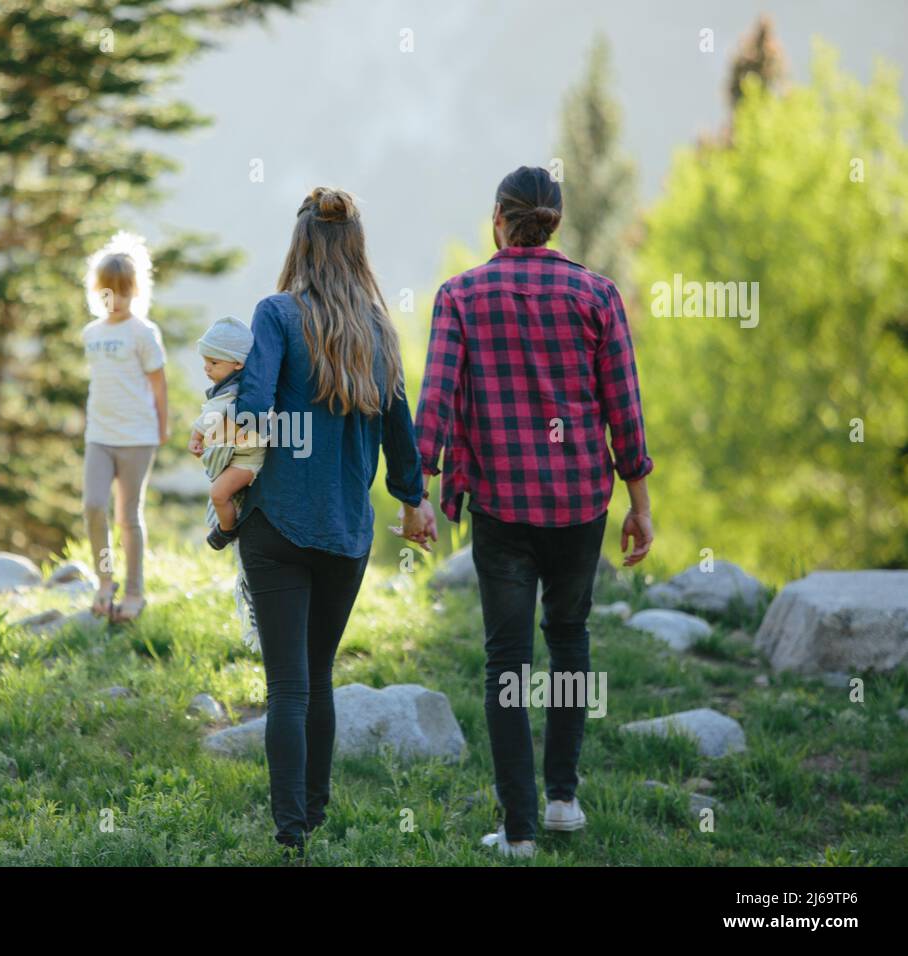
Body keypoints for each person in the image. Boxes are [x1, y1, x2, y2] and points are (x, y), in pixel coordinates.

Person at [414, 166, 655, 858]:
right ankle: (562, 801)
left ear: (499, 218)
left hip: (501, 507)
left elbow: (437, 400)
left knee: (507, 661)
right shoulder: (597, 295)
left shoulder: (460, 296)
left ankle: (517, 830)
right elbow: (624, 410)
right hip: (581, 503)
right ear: (555, 220)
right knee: (571, 639)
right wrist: (638, 503)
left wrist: (420, 492)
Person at [215, 186, 437, 855]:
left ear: (300, 244)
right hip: (346, 534)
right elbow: (400, 433)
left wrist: (227, 475)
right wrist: (414, 500)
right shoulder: (378, 327)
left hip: (276, 524)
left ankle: (290, 836)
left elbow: (253, 411)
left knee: (286, 682)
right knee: (318, 674)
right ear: (356, 248)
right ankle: (314, 812)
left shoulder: (277, 315)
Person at [80, 232, 168, 624]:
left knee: (127, 517)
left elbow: (158, 384)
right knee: (93, 506)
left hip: (136, 438)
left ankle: (134, 592)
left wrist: (162, 428)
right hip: (99, 436)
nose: (115, 301)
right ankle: (104, 581)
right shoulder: (92, 334)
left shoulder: (143, 333)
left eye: (123, 293)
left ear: (136, 291)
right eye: (107, 294)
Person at [187, 316, 266, 550]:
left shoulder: (234, 391)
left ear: (238, 363)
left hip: (248, 460)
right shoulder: (230, 385)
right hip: (239, 456)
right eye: (205, 361)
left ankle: (227, 530)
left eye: (214, 362)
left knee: (219, 493)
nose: (206, 368)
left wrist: (196, 436)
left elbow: (212, 416)